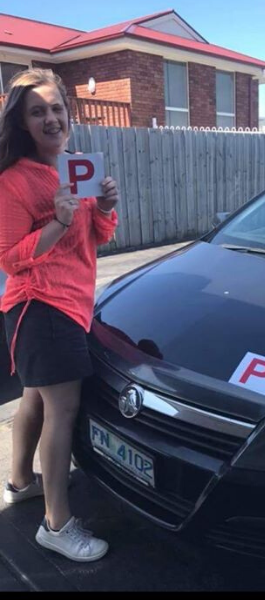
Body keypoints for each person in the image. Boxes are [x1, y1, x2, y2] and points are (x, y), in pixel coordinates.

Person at [0, 68, 119, 562]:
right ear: (22, 123)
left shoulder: (76, 167)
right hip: (41, 304)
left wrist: (105, 207)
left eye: (56, 109)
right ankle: (57, 524)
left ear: (68, 115)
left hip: (72, 301)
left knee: (34, 400)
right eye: (37, 111)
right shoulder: (14, 181)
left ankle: (22, 480)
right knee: (61, 410)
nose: (50, 118)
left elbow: (98, 238)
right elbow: (8, 258)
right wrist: (59, 220)